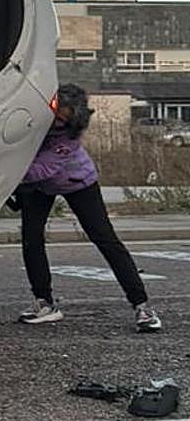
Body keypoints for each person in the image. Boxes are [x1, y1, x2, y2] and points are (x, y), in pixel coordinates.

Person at [15, 83, 161, 331]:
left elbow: (43, 169)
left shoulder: (69, 137)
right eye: (56, 109)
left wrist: (6, 174)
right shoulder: (34, 118)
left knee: (105, 239)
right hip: (38, 188)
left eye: (64, 115)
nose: (57, 117)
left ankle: (142, 306)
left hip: (78, 183)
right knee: (31, 239)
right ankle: (44, 302)